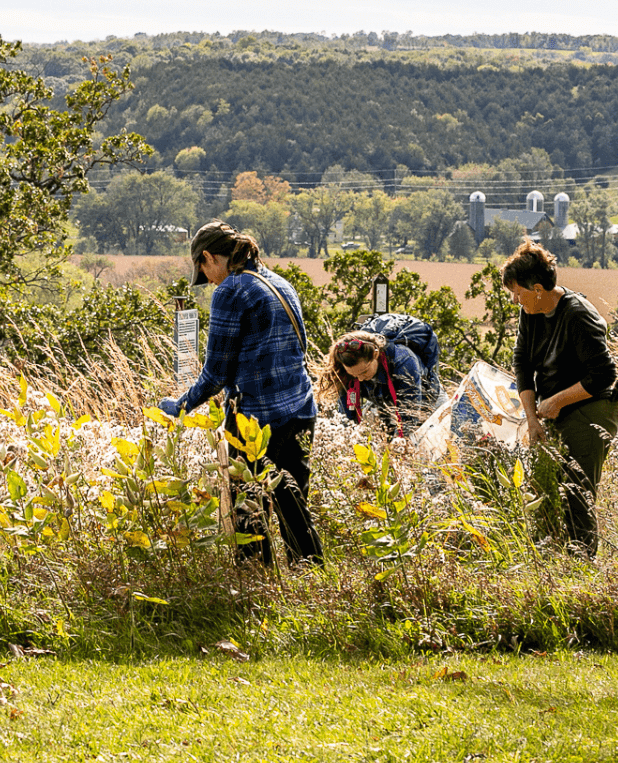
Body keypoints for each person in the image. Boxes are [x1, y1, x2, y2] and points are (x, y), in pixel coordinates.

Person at [158, 220, 321, 566]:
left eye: (204, 270)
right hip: (302, 410)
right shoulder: (280, 283)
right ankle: (310, 579)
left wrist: (180, 406)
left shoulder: (231, 291)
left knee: (249, 507)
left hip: (257, 420)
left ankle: (254, 580)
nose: (210, 280)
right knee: (293, 502)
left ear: (208, 257)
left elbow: (216, 374)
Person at [505, 240, 618, 556]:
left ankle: (581, 564)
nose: (515, 300)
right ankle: (549, 556)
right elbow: (522, 362)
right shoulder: (533, 309)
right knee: (544, 486)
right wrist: (532, 417)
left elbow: (602, 376)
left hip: (591, 408)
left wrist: (556, 401)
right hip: (552, 409)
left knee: (575, 489)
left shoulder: (578, 315)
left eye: (517, 293)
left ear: (538, 288)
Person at [320, 329, 435, 438]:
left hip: (427, 403)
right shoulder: (346, 372)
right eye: (355, 375)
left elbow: (409, 418)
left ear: (376, 354)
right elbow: (347, 417)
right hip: (384, 407)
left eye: (364, 372)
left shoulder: (404, 362)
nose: (360, 379)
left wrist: (398, 446)